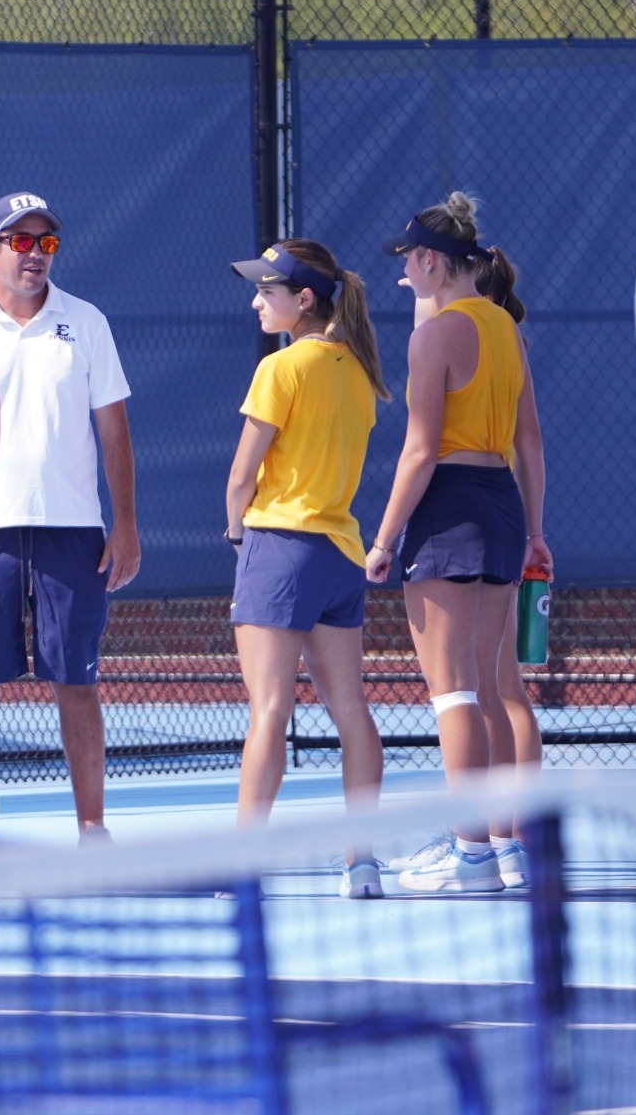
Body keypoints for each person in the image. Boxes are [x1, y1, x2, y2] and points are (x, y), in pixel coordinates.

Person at [364, 194, 552, 894]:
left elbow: (419, 451)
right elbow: (530, 443)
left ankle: (471, 854)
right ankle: (503, 848)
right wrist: (535, 530)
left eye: (411, 261)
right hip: (501, 509)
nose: (406, 271)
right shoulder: (506, 328)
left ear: (431, 261)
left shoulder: (435, 337)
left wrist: (383, 538)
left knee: (454, 695)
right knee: (490, 690)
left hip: (448, 507)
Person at [0, 192, 138, 844]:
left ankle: (92, 831)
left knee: (76, 681)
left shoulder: (86, 321)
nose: (34, 254)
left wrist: (125, 524)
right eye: (20, 242)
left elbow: (113, 429)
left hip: (72, 529)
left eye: (45, 242)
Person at [223, 239, 390, 899]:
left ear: (304, 298)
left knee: (268, 710)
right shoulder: (360, 374)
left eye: (267, 291)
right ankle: (362, 862)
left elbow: (242, 476)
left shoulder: (281, 368)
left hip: (280, 546)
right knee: (352, 709)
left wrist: (237, 531)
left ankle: (244, 868)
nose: (256, 302)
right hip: (339, 555)